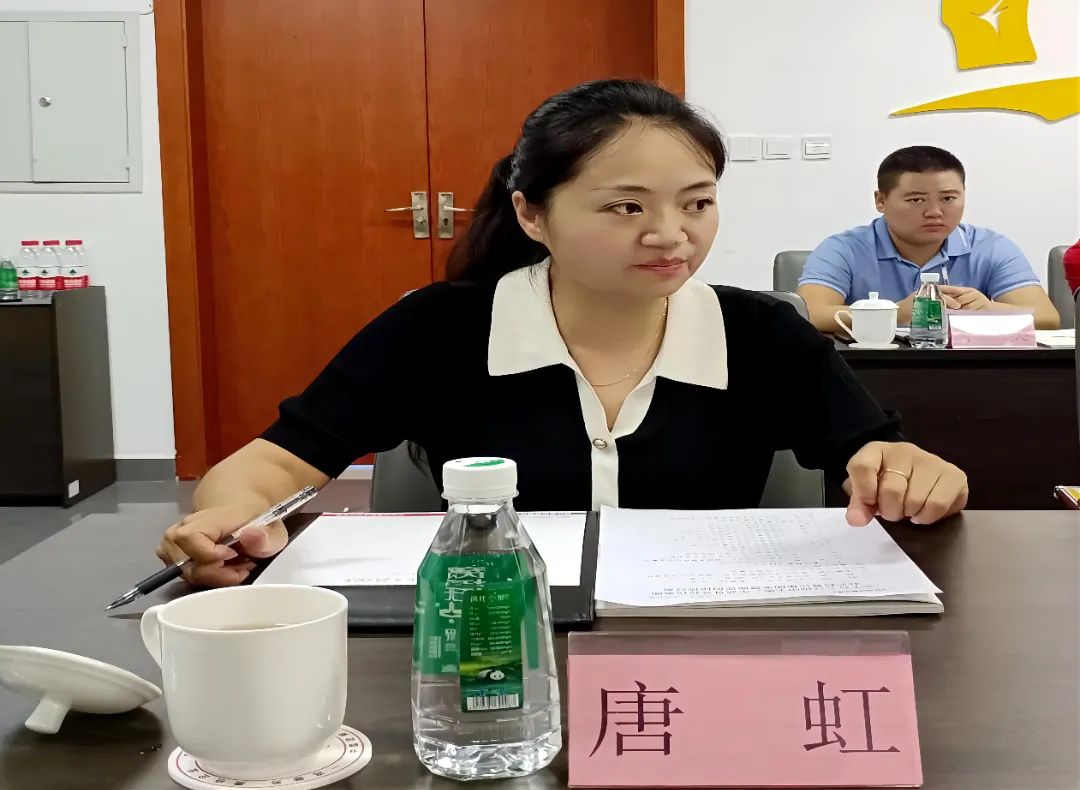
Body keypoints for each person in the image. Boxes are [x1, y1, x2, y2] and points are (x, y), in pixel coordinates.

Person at [157, 80, 969, 588]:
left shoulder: (759, 332)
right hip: (483, 642)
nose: (671, 235)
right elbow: (273, 465)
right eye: (626, 206)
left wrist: (912, 471)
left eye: (697, 202)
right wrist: (224, 521)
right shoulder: (440, 329)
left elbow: (881, 455)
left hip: (702, 644)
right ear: (531, 213)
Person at [798, 146, 1060, 332]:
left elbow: (1047, 318)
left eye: (948, 198)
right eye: (916, 200)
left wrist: (989, 310)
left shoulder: (991, 247)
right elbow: (808, 314)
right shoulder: (844, 249)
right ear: (881, 200)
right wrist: (893, 313)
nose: (934, 212)